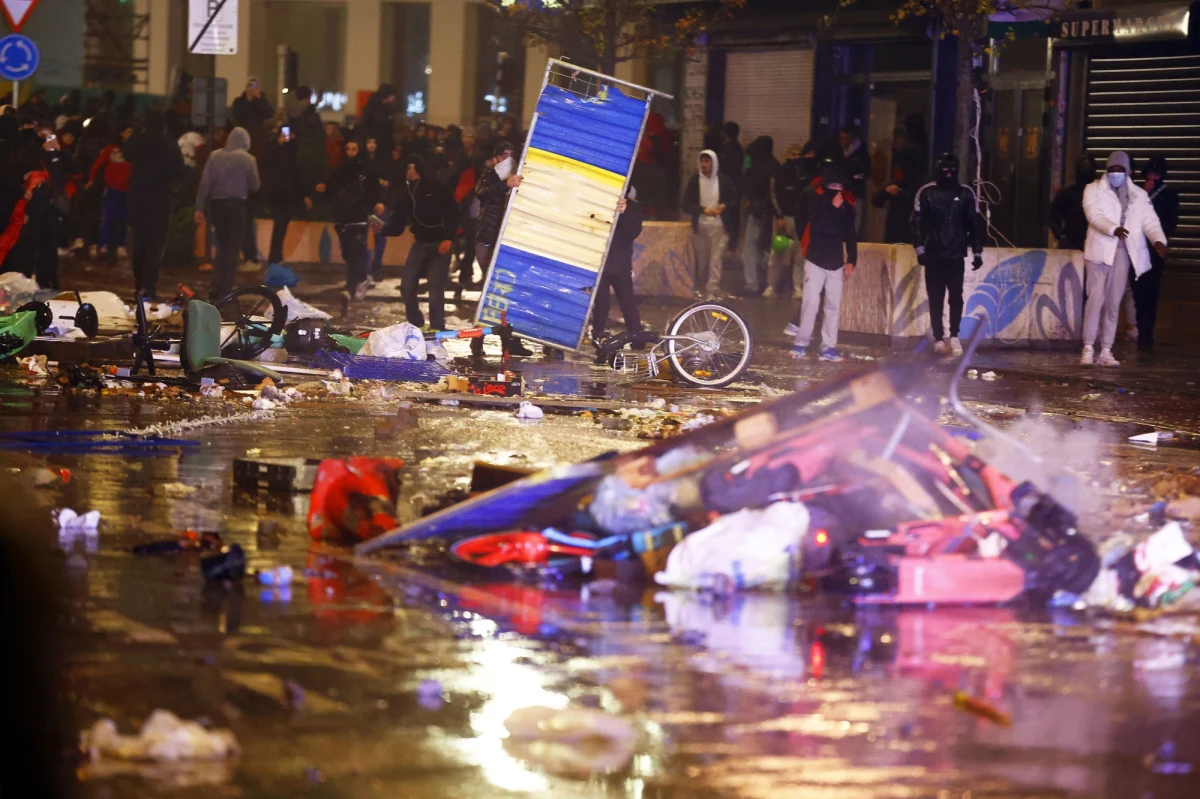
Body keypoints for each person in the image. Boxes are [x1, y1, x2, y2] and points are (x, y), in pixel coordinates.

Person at [1080, 151, 1167, 367]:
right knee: (1096, 299)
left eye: (1120, 170)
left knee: (1113, 302)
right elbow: (1094, 215)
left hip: (1122, 253)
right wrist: (1113, 229)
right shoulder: (1093, 190)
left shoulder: (1138, 195)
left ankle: (1106, 350)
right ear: (1107, 170)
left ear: (1128, 171)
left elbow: (1150, 220)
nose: (1116, 173)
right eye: (1112, 170)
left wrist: (1158, 239)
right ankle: (1088, 347)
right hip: (1099, 253)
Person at [911, 152, 983, 356]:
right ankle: (938, 338)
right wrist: (920, 249)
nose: (948, 174)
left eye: (952, 169)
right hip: (933, 254)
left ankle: (954, 335)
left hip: (956, 255)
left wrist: (977, 252)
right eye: (945, 169)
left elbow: (975, 224)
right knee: (936, 298)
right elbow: (916, 223)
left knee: (956, 297)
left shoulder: (966, 193)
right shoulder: (926, 192)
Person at [470, 140, 533, 357]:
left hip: (506, 241)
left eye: (512, 155)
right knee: (491, 292)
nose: (509, 160)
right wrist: (505, 185)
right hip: (488, 240)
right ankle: (478, 340)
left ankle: (511, 342)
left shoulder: (517, 177)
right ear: (496, 157)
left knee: (509, 293)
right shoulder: (491, 175)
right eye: (504, 155)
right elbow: (482, 193)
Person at [789, 164, 857, 362]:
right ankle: (800, 343)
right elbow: (813, 223)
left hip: (836, 261)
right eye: (832, 185)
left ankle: (828, 347)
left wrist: (851, 260)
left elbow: (851, 234)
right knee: (810, 303)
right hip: (815, 259)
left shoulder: (847, 204)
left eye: (839, 185)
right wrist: (831, 207)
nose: (835, 189)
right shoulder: (812, 196)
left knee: (833, 305)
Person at [194, 127, 261, 301]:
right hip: (237, 205)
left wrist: (199, 207)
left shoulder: (214, 156)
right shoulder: (248, 159)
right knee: (233, 247)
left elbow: (204, 183)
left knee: (222, 246)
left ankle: (216, 285)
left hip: (217, 205)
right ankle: (227, 288)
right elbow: (255, 186)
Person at [125, 108, 186, 299]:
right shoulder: (170, 144)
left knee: (139, 242)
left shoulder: (137, 141)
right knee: (155, 244)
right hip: (161, 200)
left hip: (138, 198)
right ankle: (149, 286)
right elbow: (180, 170)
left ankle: (139, 283)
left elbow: (127, 153)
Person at [393, 154, 458, 331]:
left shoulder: (436, 187)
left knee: (435, 290)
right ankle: (416, 323)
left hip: (440, 244)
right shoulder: (406, 193)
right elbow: (398, 223)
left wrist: (448, 238)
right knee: (406, 286)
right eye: (408, 168)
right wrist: (381, 228)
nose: (411, 172)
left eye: (415, 168)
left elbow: (453, 212)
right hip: (420, 243)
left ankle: (437, 328)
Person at [315, 139, 378, 306]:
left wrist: (372, 207)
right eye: (348, 149)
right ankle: (362, 277)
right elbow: (332, 189)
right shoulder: (340, 169)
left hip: (358, 218)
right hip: (342, 218)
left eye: (354, 149)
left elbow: (373, 190)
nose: (350, 152)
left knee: (356, 253)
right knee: (348, 253)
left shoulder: (365, 170)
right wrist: (323, 189)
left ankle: (351, 288)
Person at [1125, 155, 1178, 352]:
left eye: (1156, 174)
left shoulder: (1169, 195)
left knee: (1151, 294)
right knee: (1137, 293)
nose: (1152, 178)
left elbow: (1170, 223)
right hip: (1136, 251)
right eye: (1150, 174)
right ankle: (1140, 328)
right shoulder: (1137, 192)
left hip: (1155, 253)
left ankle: (1147, 333)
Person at [681, 149, 736, 299]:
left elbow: (732, 199)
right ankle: (701, 286)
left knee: (716, 259)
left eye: (707, 161)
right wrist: (702, 210)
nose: (704, 164)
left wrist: (723, 206)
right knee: (702, 260)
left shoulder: (723, 180)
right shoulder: (694, 181)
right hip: (701, 226)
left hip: (720, 226)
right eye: (702, 161)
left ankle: (712, 289)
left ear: (714, 162)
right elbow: (685, 205)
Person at [591, 188, 644, 344]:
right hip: (600, 263)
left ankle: (637, 340)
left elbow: (633, 231)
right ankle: (598, 339)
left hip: (620, 264)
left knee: (627, 303)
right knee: (601, 305)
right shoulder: (600, 200)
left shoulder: (632, 206)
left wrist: (625, 212)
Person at [263, 125, 313, 266]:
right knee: (279, 229)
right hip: (279, 197)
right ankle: (274, 260)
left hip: (286, 197)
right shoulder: (276, 152)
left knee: (280, 229)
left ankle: (275, 259)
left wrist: (304, 195)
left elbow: (296, 174)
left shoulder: (292, 153)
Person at [87, 122, 134, 262]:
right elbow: (97, 165)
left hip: (126, 190)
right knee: (107, 217)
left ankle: (120, 245)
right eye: (128, 132)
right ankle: (103, 244)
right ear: (121, 133)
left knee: (123, 218)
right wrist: (91, 179)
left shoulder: (133, 150)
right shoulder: (110, 149)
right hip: (112, 189)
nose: (130, 135)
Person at [767, 143, 808, 299]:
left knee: (799, 255)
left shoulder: (804, 173)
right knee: (777, 252)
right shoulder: (780, 173)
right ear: (787, 156)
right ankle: (771, 286)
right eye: (793, 154)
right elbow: (773, 195)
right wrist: (779, 216)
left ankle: (797, 287)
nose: (796, 157)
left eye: (799, 154)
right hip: (784, 219)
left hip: (800, 220)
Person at [872, 126, 925, 245]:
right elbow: (876, 201)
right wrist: (886, 190)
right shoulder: (898, 183)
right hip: (893, 237)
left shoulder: (924, 188)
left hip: (912, 239)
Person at [739, 135, 777, 296]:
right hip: (772, 214)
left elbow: (746, 183)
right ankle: (768, 283)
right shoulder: (775, 165)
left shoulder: (754, 165)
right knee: (766, 248)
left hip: (756, 211)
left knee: (750, 247)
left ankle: (752, 284)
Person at [1049, 155, 1096, 252]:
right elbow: (1052, 218)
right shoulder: (1066, 193)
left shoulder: (1101, 193)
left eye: (1088, 169)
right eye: (1083, 168)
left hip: (1095, 245)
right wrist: (1061, 237)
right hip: (1070, 246)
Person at [362, 135, 392, 281]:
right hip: (365, 204)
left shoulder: (384, 161)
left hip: (379, 205)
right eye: (369, 142)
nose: (371, 145)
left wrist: (382, 202)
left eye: (374, 142)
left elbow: (388, 184)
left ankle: (376, 267)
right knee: (364, 238)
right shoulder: (362, 160)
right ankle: (365, 270)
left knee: (380, 238)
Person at [835, 125, 870, 236]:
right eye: (842, 138)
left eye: (846, 138)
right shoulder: (838, 151)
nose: (844, 141)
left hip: (855, 193)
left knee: (854, 220)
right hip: (840, 192)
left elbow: (866, 171)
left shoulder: (861, 152)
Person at [229, 77, 273, 156]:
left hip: (257, 137)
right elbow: (236, 115)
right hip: (242, 135)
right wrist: (248, 100)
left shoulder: (261, 101)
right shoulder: (239, 101)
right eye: (250, 86)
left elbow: (269, 113)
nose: (253, 88)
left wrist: (259, 99)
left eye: (255, 86)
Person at [718, 122, 743, 247]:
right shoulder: (738, 148)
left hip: (729, 190)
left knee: (728, 218)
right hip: (735, 189)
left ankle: (729, 245)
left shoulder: (729, 150)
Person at [360, 84, 397, 158]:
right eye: (393, 95)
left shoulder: (388, 109)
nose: (394, 98)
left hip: (384, 143)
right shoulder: (373, 107)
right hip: (374, 143)